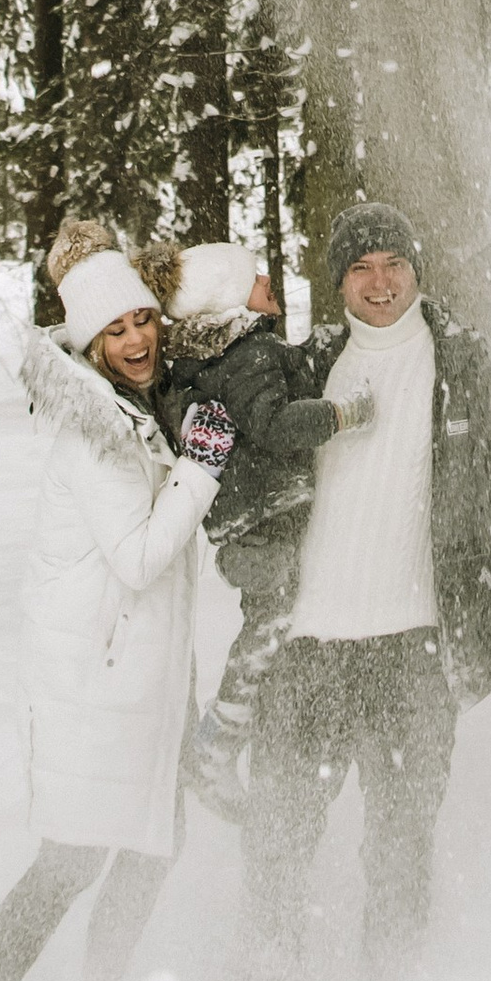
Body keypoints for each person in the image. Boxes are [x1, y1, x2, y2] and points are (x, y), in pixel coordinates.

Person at [243, 200, 491, 981]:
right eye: (360, 267)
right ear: (339, 280)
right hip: (306, 646)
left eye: (393, 264)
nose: (379, 282)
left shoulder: (472, 369)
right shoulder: (303, 369)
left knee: (399, 843)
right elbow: (246, 493)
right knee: (278, 834)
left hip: (413, 650)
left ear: (417, 270)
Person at [0, 223, 234, 981]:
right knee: (69, 863)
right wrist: (203, 466)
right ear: (90, 343)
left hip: (139, 679)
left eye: (143, 318)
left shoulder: (135, 408)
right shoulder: (99, 438)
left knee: (154, 845)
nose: (137, 337)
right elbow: (141, 557)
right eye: (116, 329)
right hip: (96, 688)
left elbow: (223, 282)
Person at [159, 236, 373, 820]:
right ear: (230, 300)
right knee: (273, 620)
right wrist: (342, 414)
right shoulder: (247, 356)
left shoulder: (225, 356)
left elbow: (292, 374)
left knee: (279, 614)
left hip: (252, 523)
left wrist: (327, 350)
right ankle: (217, 742)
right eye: (254, 279)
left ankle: (229, 737)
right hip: (262, 525)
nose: (267, 283)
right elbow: (275, 422)